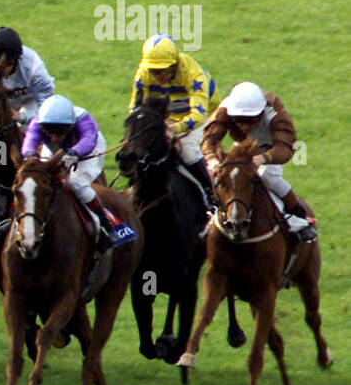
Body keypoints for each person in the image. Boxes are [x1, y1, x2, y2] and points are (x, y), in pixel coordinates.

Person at [203, 82, 317, 242]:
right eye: (239, 121)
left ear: (261, 113)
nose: (244, 126)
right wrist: (212, 159)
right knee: (224, 175)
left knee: (267, 175)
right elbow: (209, 139)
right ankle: (212, 213)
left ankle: (295, 215)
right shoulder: (225, 110)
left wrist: (263, 158)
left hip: (271, 149)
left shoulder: (275, 115)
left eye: (251, 121)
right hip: (245, 146)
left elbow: (285, 147)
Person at [23, 94, 132, 250]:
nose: (55, 137)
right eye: (50, 131)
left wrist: (74, 153)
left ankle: (107, 224)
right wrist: (30, 155)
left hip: (89, 148)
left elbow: (88, 139)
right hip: (57, 151)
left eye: (61, 132)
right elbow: (29, 142)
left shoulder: (83, 119)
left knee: (76, 182)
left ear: (70, 125)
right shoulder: (38, 122)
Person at [129, 34, 219, 198]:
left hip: (201, 116)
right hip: (167, 115)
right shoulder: (143, 74)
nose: (158, 76)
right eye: (154, 71)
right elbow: (136, 108)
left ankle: (211, 194)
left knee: (189, 151)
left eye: (163, 71)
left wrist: (174, 129)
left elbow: (198, 115)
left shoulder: (193, 74)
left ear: (175, 63)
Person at [0, 26, 55, 128]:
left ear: (14, 61)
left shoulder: (34, 69)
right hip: (2, 103)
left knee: (31, 127)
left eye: (6, 65)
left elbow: (48, 110)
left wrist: (22, 117)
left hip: (31, 100)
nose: (0, 70)